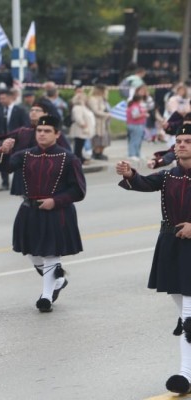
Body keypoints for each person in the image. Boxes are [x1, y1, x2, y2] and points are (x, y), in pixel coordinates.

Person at [116, 124, 191, 395]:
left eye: (187, 141)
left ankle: (184, 374)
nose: (181, 145)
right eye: (178, 141)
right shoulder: (170, 174)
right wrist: (130, 174)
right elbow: (145, 183)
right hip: (171, 245)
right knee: (184, 312)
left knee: (188, 317)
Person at [0, 115, 85, 312]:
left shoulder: (69, 158)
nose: (42, 134)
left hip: (56, 213)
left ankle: (46, 297)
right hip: (29, 212)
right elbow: (4, 167)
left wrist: (55, 201)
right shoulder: (26, 155)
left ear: (57, 134)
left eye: (47, 131)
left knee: (51, 254)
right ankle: (58, 281)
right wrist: (4, 152)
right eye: (39, 131)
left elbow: (78, 190)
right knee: (34, 255)